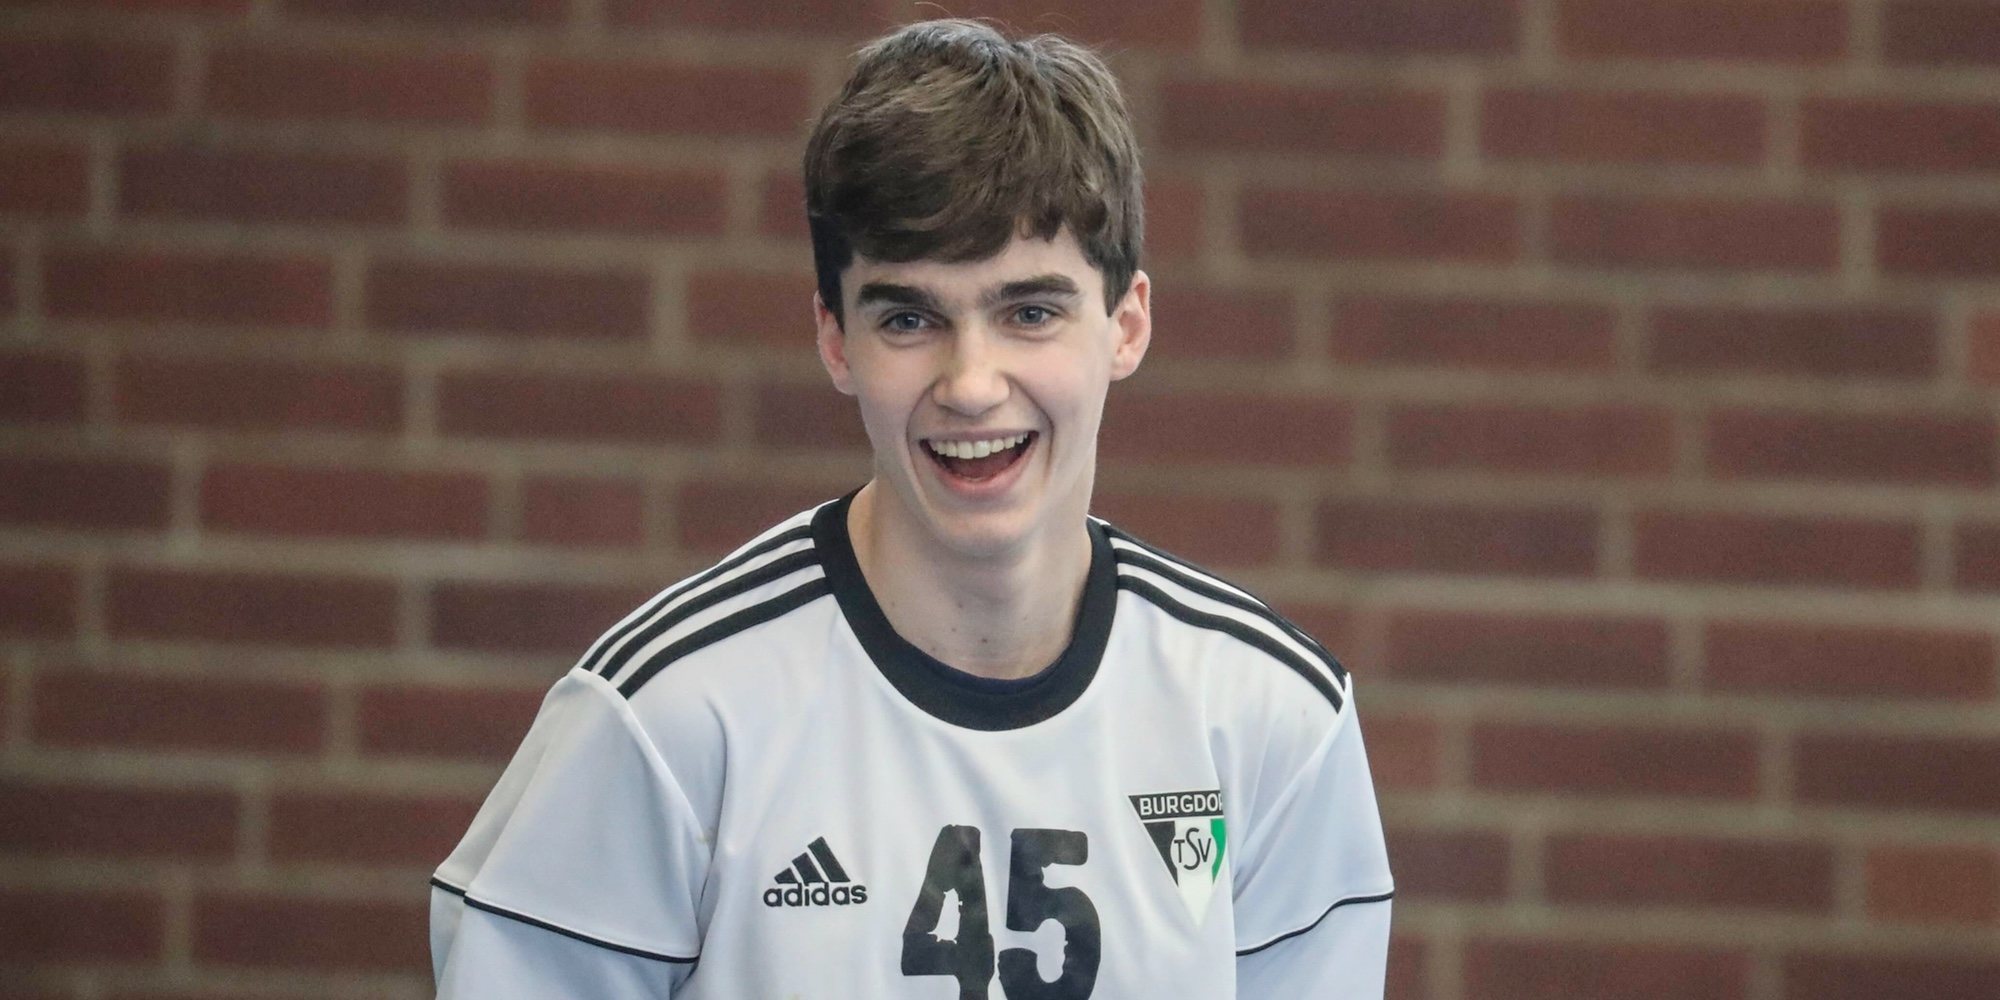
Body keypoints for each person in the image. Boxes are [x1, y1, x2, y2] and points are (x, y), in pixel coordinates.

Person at [430, 18, 1393, 998]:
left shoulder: (1269, 716)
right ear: (835, 340)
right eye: (908, 317)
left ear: (1126, 323)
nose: (970, 383)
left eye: (1029, 311)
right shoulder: (670, 718)